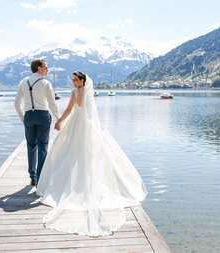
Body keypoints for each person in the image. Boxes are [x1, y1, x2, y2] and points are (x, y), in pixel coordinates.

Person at [37, 71, 147, 236]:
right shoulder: (87, 91)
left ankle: (77, 183)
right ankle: (85, 179)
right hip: (88, 125)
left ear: (82, 80)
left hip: (77, 124)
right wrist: (81, 90)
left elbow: (70, 109)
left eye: (75, 80)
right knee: (86, 154)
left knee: (72, 153)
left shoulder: (77, 92)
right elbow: (84, 107)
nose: (73, 82)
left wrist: (60, 121)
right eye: (72, 80)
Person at [14, 59, 61, 186]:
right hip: (42, 116)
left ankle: (32, 176)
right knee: (43, 146)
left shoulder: (23, 82)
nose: (47, 69)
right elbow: (52, 104)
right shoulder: (45, 83)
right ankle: (41, 178)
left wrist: (23, 118)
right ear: (39, 68)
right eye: (46, 67)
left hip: (29, 115)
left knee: (31, 146)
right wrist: (59, 118)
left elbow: (17, 104)